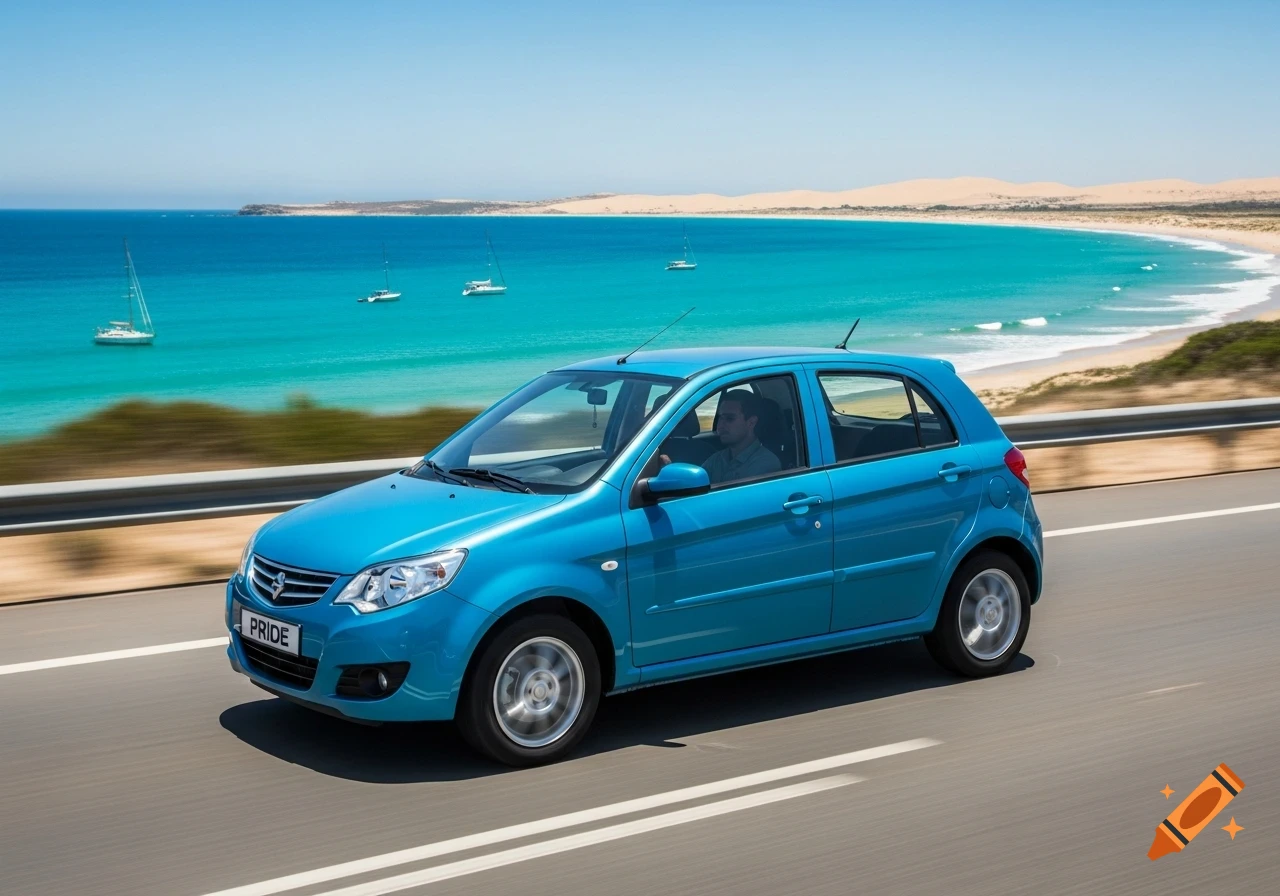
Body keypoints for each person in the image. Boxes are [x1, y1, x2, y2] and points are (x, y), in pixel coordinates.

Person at [700, 390, 781, 484]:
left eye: (729, 418)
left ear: (751, 422)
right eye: (720, 418)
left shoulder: (766, 463)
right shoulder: (717, 459)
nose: (719, 426)